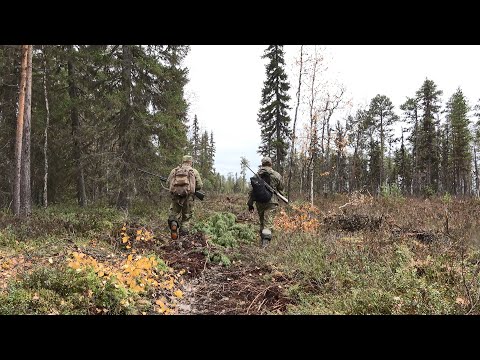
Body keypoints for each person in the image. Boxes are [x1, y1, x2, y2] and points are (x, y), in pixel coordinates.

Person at [247, 156, 284, 247]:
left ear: (262, 164)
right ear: (271, 164)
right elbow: (281, 188)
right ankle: (265, 243)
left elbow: (252, 191)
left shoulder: (256, 175)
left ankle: (262, 240)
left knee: (262, 221)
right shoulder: (276, 175)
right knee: (268, 223)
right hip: (271, 202)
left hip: (259, 202)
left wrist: (250, 204)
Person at [166, 155, 203, 239]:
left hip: (176, 197)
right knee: (186, 217)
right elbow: (200, 185)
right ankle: (183, 237)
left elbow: (168, 183)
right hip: (188, 197)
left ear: (182, 161)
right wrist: (191, 188)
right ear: (190, 162)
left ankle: (174, 224)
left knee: (174, 214)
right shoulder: (194, 171)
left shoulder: (174, 171)